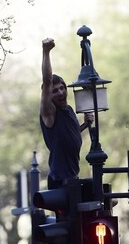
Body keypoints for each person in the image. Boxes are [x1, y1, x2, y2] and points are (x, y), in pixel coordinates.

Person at [40, 37, 93, 190]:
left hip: (72, 178)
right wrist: (46, 52)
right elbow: (47, 81)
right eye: (55, 91)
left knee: (100, 194)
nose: (61, 92)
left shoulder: (68, 110)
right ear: (48, 96)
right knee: (96, 193)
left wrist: (85, 124)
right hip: (59, 182)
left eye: (62, 88)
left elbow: (68, 134)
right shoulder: (49, 112)